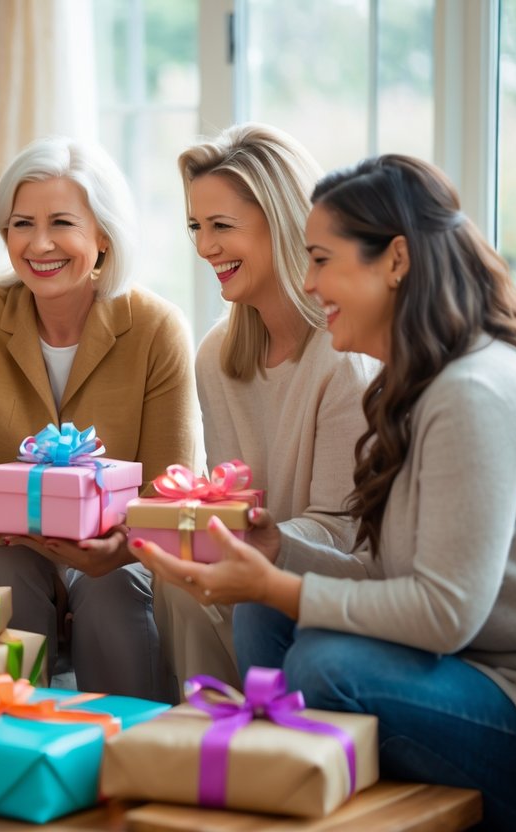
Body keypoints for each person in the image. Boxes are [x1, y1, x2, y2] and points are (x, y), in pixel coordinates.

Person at [132, 154, 516, 828]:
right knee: (265, 614)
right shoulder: (419, 385)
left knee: (327, 662)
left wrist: (275, 585)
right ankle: (286, 792)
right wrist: (277, 550)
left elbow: (443, 612)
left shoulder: (472, 394)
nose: (307, 283)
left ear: (394, 261)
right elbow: (387, 577)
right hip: (461, 666)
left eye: (320, 260)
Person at [0, 136, 199, 700]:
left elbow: (168, 491)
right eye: (20, 224)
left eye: (62, 223)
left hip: (116, 548)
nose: (39, 244)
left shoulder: (158, 327)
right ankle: (7, 750)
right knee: (6, 576)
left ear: (103, 235)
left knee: (111, 590)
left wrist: (123, 545)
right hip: (5, 545)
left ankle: (130, 755)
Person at [160, 123, 377, 697]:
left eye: (222, 227)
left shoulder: (344, 359)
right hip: (259, 567)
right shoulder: (217, 355)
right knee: (168, 578)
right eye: (196, 228)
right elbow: (234, 503)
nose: (205, 247)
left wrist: (247, 544)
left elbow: (342, 533)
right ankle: (206, 742)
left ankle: (252, 740)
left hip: (333, 586)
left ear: (283, 222)